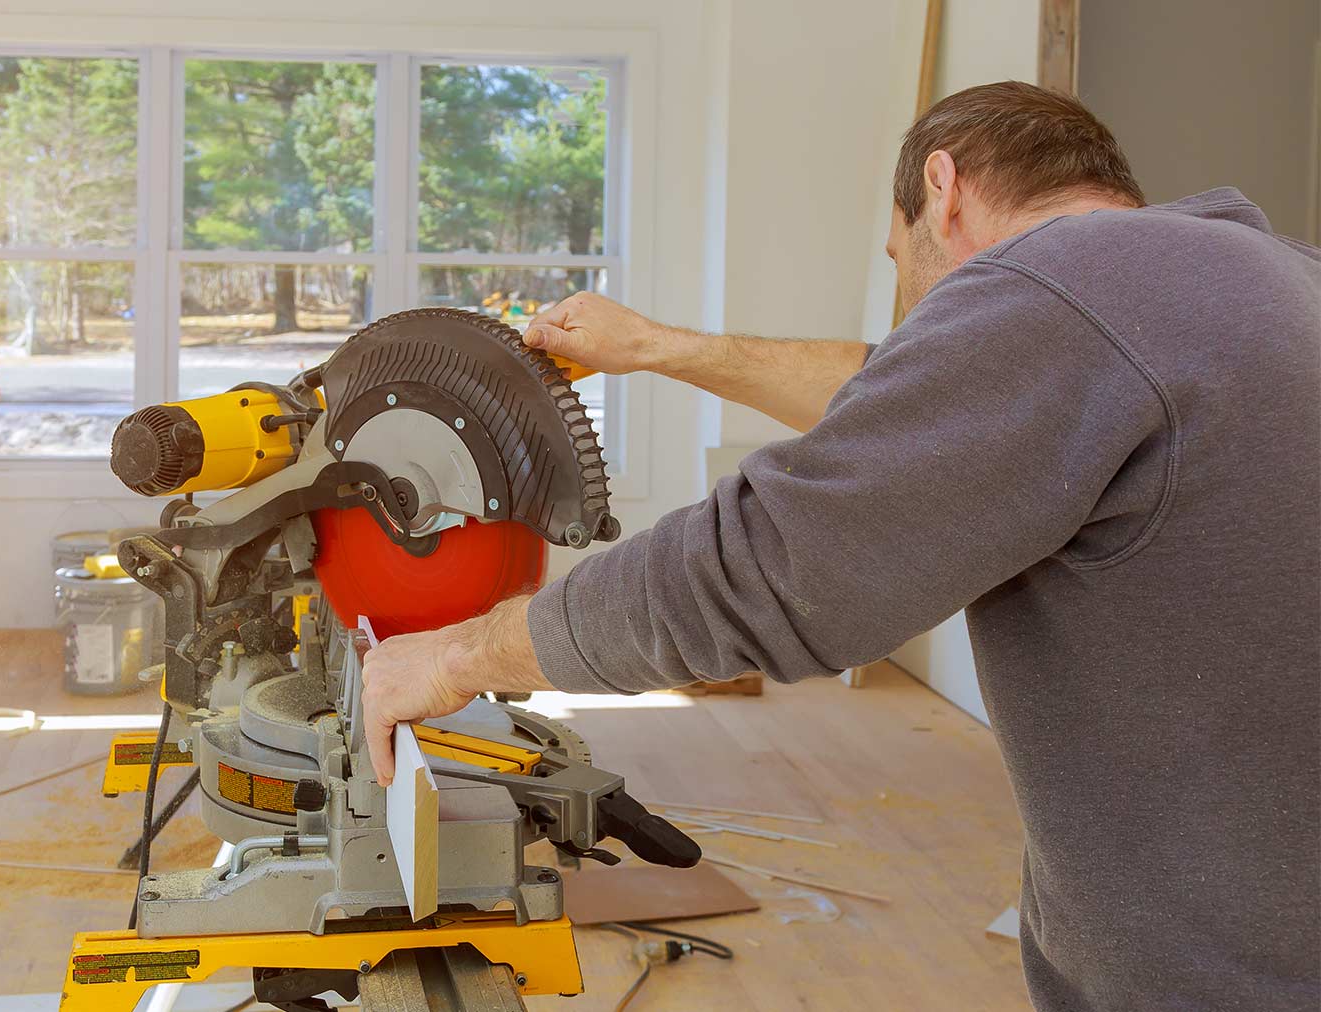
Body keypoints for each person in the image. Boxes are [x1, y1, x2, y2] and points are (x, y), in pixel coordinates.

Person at [362, 81, 1320, 1010]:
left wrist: (455, 655)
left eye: (897, 259)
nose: (909, 299)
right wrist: (656, 347)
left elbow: (765, 568)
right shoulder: (1243, 282)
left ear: (942, 189)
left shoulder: (1053, 287)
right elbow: (913, 402)